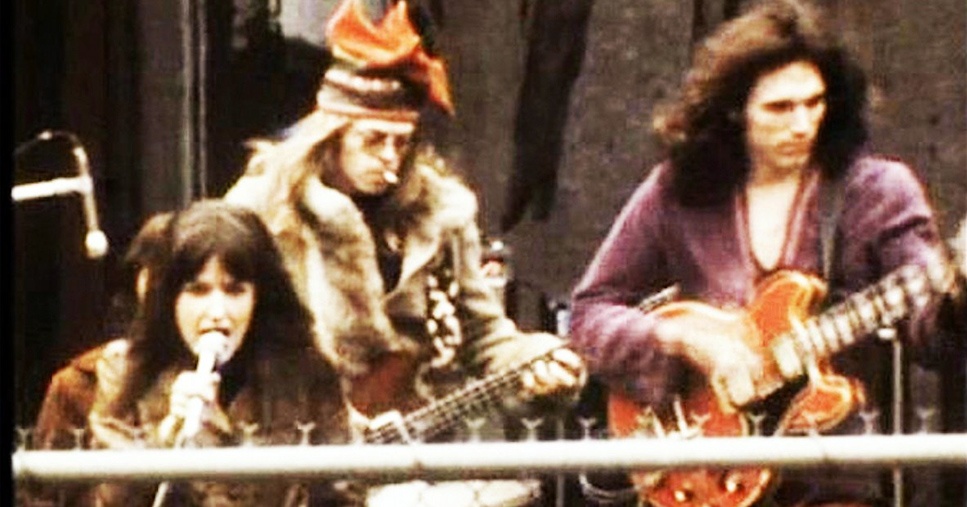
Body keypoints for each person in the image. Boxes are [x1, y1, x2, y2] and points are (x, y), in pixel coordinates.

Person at [568, 1, 966, 506]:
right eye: (779, 108)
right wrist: (681, 339)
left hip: (832, 477)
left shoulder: (878, 191)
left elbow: (932, 336)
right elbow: (589, 313)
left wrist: (959, 295)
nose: (802, 124)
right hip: (708, 467)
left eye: (814, 103)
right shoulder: (680, 188)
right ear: (735, 110)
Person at [225, 0, 586, 504]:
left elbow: (484, 338)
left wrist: (535, 363)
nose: (390, 161)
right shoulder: (262, 206)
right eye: (373, 141)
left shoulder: (440, 213)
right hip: (297, 456)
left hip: (422, 458)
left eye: (403, 143)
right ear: (331, 135)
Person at [87, 200, 350, 506]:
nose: (217, 312)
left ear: (259, 297)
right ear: (170, 297)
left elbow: (344, 495)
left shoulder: (307, 372)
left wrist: (224, 441)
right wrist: (166, 436)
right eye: (198, 290)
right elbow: (108, 497)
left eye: (234, 290)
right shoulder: (124, 369)